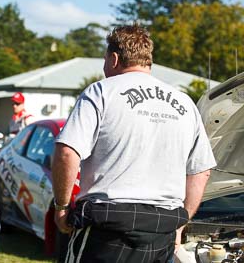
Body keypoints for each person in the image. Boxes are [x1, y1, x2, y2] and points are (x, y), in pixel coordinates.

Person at [51, 24, 216, 263]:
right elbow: (201, 171)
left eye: (105, 60)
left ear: (114, 58)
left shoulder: (101, 91)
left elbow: (67, 152)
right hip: (162, 228)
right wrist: (180, 226)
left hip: (108, 224)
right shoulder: (185, 103)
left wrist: (61, 206)